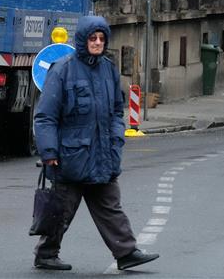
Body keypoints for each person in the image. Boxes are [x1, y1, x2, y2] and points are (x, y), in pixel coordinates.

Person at [33, 15, 159, 271]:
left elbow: (115, 111)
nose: (98, 42)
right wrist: (49, 152)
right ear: (83, 40)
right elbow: (45, 116)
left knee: (110, 205)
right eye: (93, 38)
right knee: (61, 210)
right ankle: (46, 254)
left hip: (102, 154)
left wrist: (116, 139)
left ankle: (126, 252)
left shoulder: (108, 69)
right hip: (70, 156)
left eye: (102, 38)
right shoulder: (63, 69)